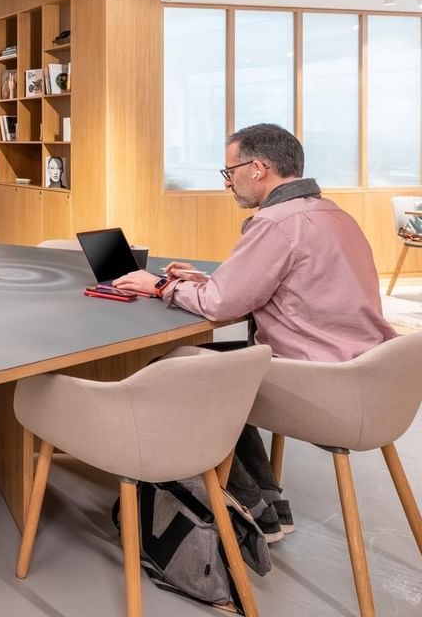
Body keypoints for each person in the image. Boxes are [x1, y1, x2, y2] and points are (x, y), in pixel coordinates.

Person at [114, 123, 395, 538]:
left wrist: (158, 286)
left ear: (258, 168)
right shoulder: (333, 214)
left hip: (320, 384)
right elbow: (287, 286)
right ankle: (267, 501)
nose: (227, 183)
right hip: (367, 376)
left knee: (176, 373)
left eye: (229, 171)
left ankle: (250, 508)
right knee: (220, 365)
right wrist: (204, 281)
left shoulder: (276, 222)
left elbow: (220, 305)